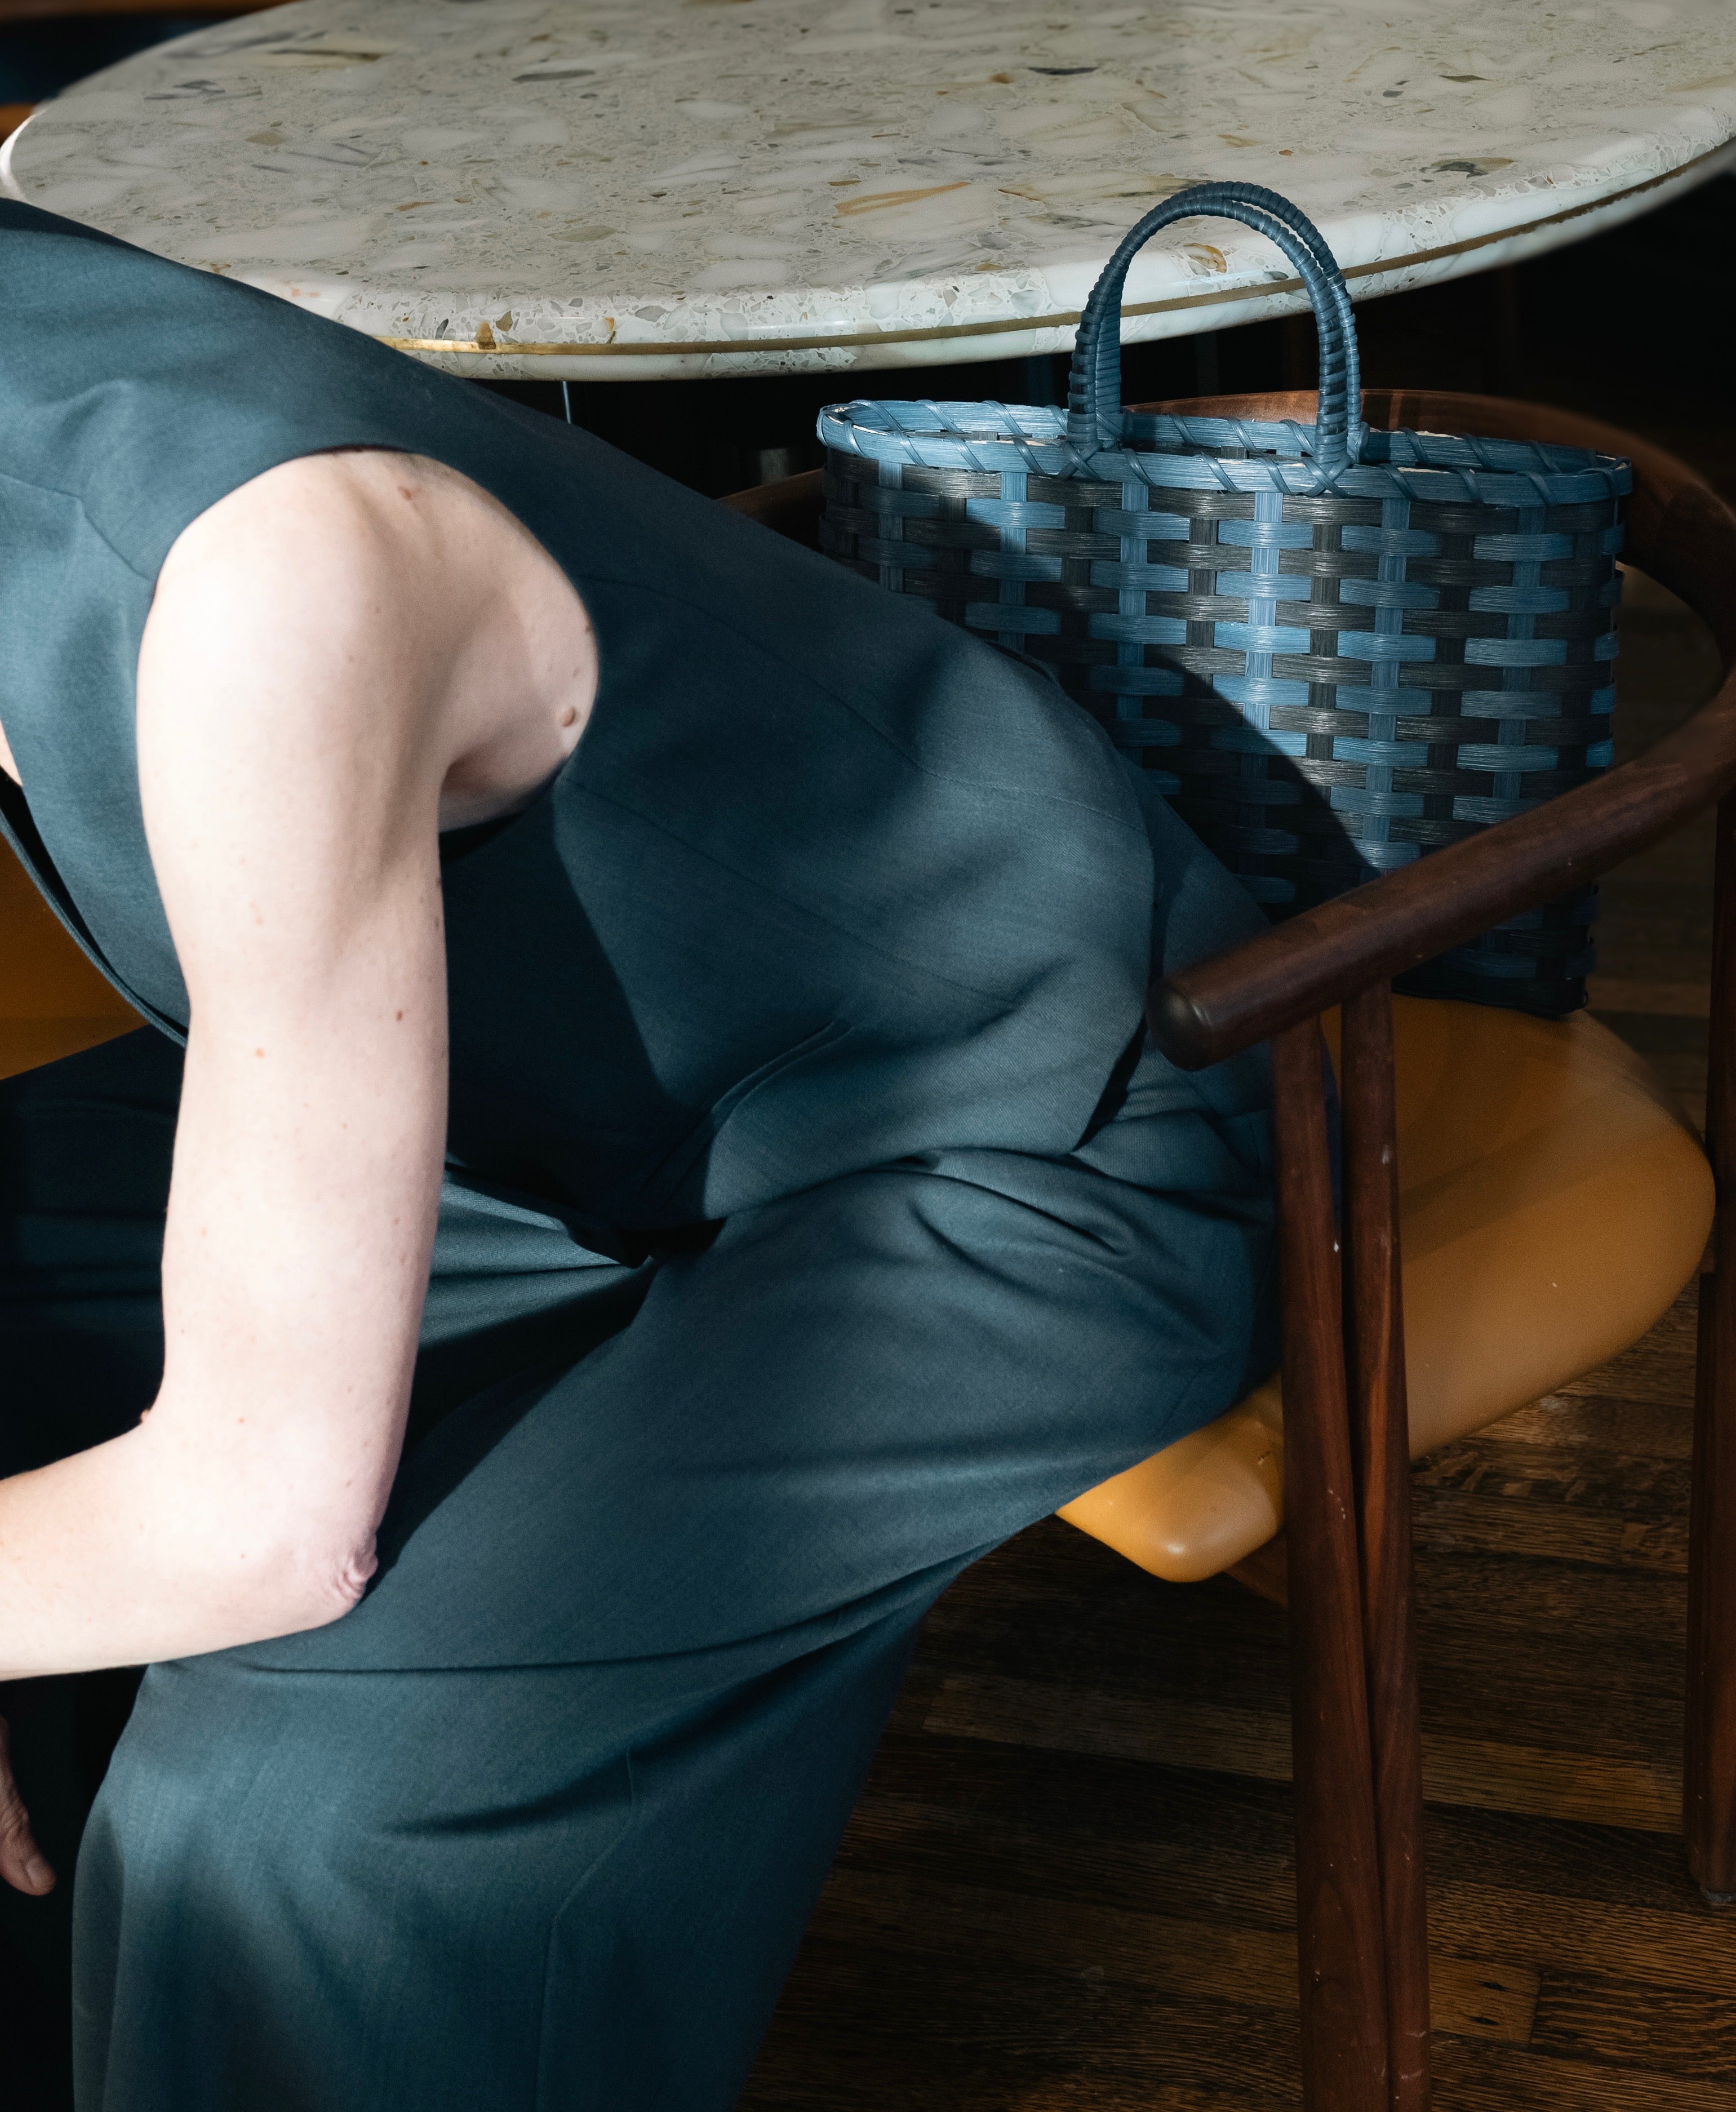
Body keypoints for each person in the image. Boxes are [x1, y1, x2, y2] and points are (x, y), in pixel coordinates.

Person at [0, 197, 1276, 2111]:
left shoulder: (268, 576)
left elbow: (261, 1515)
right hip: (548, 1127)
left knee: (293, 1815)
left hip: (1022, 1128)